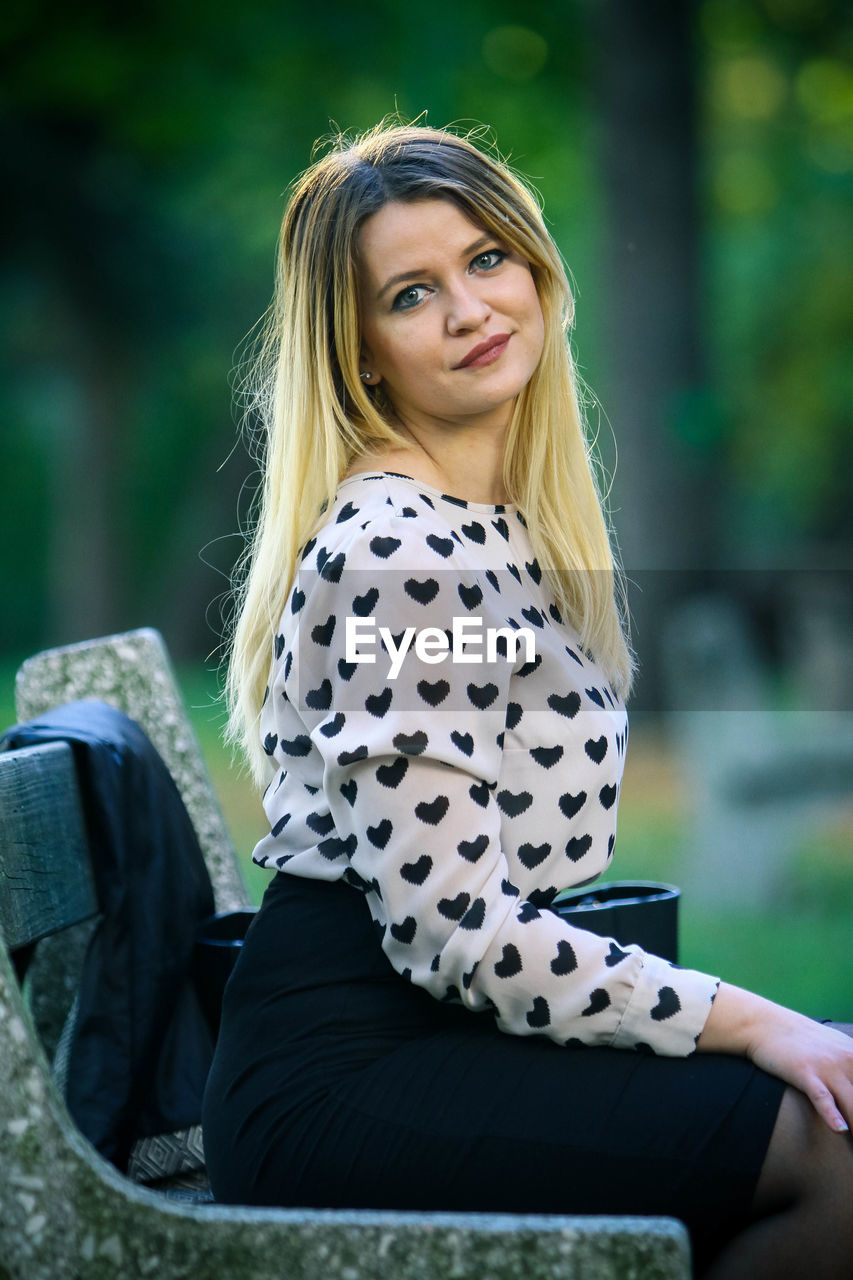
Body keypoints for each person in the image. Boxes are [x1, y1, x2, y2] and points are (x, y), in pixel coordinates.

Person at [201, 123, 853, 1278]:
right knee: (839, 1145)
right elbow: (457, 931)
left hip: (448, 1036)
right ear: (360, 352)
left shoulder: (492, 523)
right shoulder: (401, 550)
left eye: (486, 259)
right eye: (412, 293)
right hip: (349, 1076)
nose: (468, 309)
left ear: (538, 269)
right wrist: (752, 1016)